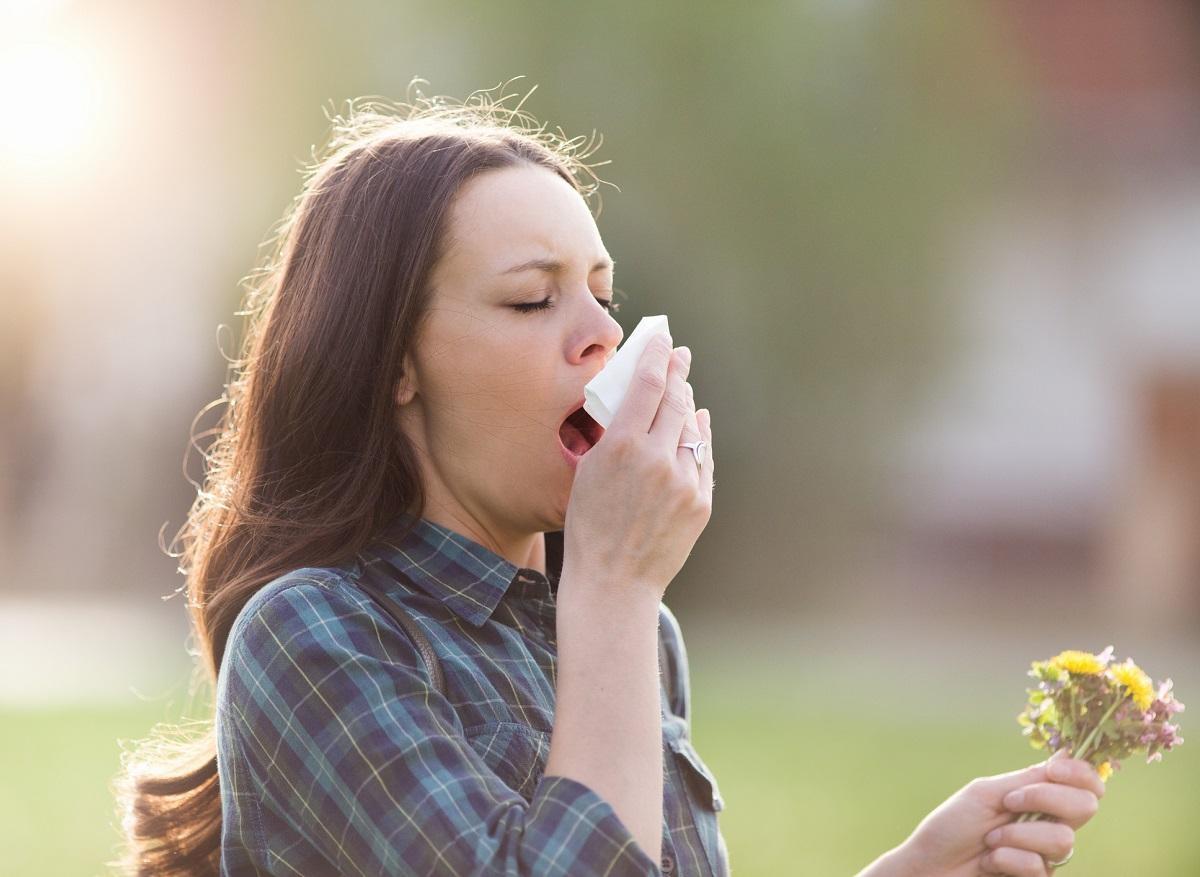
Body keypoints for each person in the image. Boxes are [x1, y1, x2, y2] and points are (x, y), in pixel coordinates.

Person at [114, 87, 1104, 877]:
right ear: (392, 364)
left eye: (603, 293)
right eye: (532, 298)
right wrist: (618, 588)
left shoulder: (628, 636)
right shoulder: (318, 635)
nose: (601, 335)